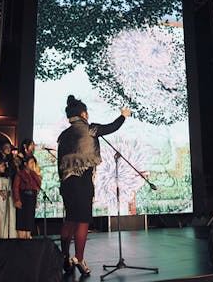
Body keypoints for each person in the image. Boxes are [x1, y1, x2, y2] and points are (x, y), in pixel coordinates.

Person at [57, 95, 130, 276]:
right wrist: (123, 115)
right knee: (82, 222)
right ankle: (80, 259)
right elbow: (111, 127)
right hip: (83, 182)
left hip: (66, 183)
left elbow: (59, 163)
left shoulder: (63, 136)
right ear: (83, 114)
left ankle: (65, 257)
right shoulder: (90, 130)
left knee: (70, 220)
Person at [14, 156, 42, 239]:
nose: (32, 164)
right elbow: (16, 187)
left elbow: (37, 186)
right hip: (23, 197)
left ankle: (28, 236)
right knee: (22, 219)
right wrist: (17, 199)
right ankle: (21, 239)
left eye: (33, 162)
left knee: (30, 219)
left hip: (31, 198)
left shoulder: (34, 174)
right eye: (31, 163)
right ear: (25, 164)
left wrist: (36, 199)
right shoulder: (20, 174)